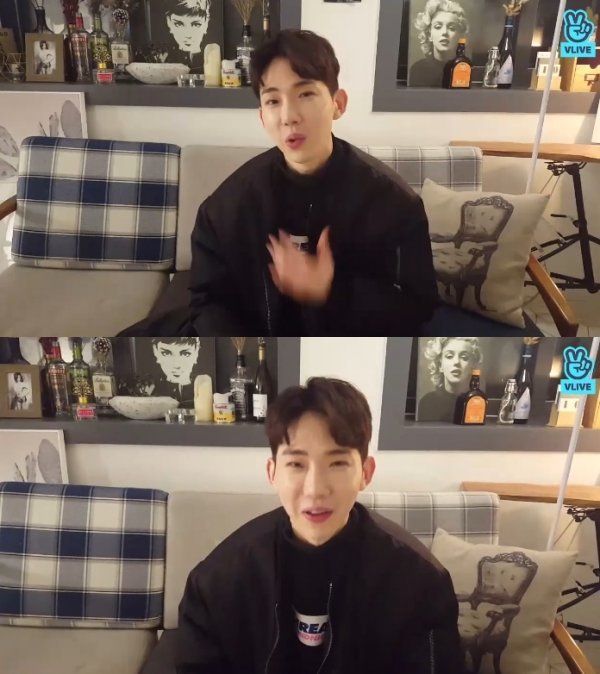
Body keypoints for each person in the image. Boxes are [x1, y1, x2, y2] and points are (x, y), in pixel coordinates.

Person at [173, 377, 465, 673]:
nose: (315, 490)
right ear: (272, 473)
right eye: (296, 464)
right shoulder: (217, 581)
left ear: (365, 472)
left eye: (337, 463)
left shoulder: (419, 583)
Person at [183, 29, 439, 337]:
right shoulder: (226, 206)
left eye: (305, 94)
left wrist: (330, 290)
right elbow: (207, 302)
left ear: (338, 103)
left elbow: (417, 307)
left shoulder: (394, 203)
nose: (289, 116)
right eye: (273, 100)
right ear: (262, 117)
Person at [418, 337, 481, 422]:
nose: (456, 362)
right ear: (440, 365)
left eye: (464, 357)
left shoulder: (477, 401)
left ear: (472, 366)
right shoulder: (427, 402)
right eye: (449, 356)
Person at [409, 0, 469, 87]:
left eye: (451, 28)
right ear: (429, 34)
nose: (444, 32)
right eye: (438, 27)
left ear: (459, 36)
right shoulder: (418, 69)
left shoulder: (464, 68)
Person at [163, 0, 211, 72]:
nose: (188, 35)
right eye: (179, 24)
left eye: (196, 25)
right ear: (169, 22)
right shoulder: (163, 59)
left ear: (206, 24)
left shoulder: (216, 59)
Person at [151, 337, 200, 405]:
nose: (176, 365)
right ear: (155, 351)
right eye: (166, 353)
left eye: (186, 354)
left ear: (196, 352)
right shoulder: (151, 390)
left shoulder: (205, 388)